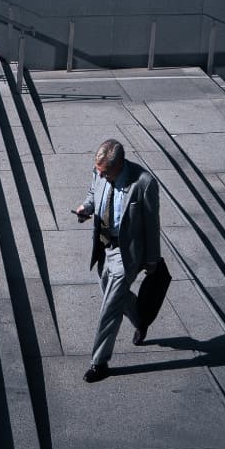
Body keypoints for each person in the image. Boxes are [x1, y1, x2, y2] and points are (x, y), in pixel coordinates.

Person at [73, 138, 161, 383]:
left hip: (127, 253)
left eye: (106, 173)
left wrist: (152, 260)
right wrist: (86, 208)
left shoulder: (144, 183)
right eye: (98, 171)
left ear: (120, 164)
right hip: (104, 245)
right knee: (110, 292)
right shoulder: (100, 172)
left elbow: (153, 225)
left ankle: (99, 363)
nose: (101, 177)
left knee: (110, 306)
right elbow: (94, 193)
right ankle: (141, 318)